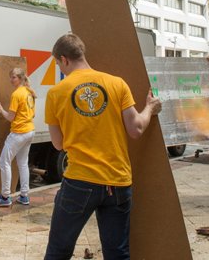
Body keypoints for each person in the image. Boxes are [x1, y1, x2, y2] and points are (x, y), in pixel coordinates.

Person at [44, 33, 162, 260]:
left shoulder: (56, 93)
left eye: (58, 64)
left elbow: (58, 144)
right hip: (117, 182)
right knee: (117, 253)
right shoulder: (117, 84)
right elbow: (136, 129)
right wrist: (149, 109)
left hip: (79, 182)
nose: (60, 68)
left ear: (64, 59)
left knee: (59, 251)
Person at [0, 67, 36, 207]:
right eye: (10, 77)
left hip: (19, 133)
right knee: (22, 163)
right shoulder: (29, 92)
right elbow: (33, 114)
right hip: (29, 131)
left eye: (13, 77)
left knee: (4, 162)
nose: (11, 80)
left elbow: (10, 117)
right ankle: (24, 196)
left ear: (20, 78)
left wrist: (0, 109)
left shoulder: (17, 94)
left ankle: (5, 197)